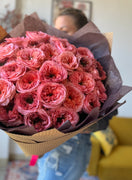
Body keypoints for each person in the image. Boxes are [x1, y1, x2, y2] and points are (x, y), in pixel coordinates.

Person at [37, 8, 92, 180]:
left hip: (71, 145)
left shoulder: (93, 64)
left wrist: (83, 125)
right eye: (55, 29)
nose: (57, 35)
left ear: (82, 32)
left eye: (64, 30)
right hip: (46, 146)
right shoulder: (48, 58)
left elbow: (109, 115)